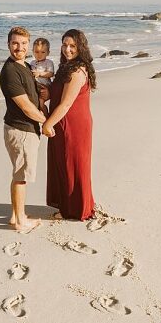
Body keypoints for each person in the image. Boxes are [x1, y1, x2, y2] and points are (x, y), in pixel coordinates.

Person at [42, 29, 96, 221]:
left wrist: (47, 124)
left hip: (73, 124)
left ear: (80, 47)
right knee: (65, 165)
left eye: (72, 45)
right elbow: (58, 94)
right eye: (65, 45)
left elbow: (65, 104)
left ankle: (75, 209)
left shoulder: (77, 71)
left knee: (72, 165)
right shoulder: (67, 67)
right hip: (64, 122)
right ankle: (71, 205)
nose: (67, 49)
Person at [0, 26, 46, 232]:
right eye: (15, 43)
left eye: (23, 43)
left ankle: (15, 215)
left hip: (25, 129)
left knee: (19, 173)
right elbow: (25, 106)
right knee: (21, 176)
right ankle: (20, 221)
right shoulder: (10, 71)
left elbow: (33, 94)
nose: (19, 47)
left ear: (29, 45)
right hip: (21, 130)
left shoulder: (25, 65)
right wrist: (46, 122)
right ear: (8, 44)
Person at [30, 37, 55, 116]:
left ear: (48, 53)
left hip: (45, 86)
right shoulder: (32, 62)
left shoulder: (48, 62)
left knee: (41, 103)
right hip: (36, 86)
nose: (39, 55)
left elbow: (51, 73)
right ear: (33, 52)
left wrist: (40, 73)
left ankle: (46, 116)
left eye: (43, 52)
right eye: (37, 52)